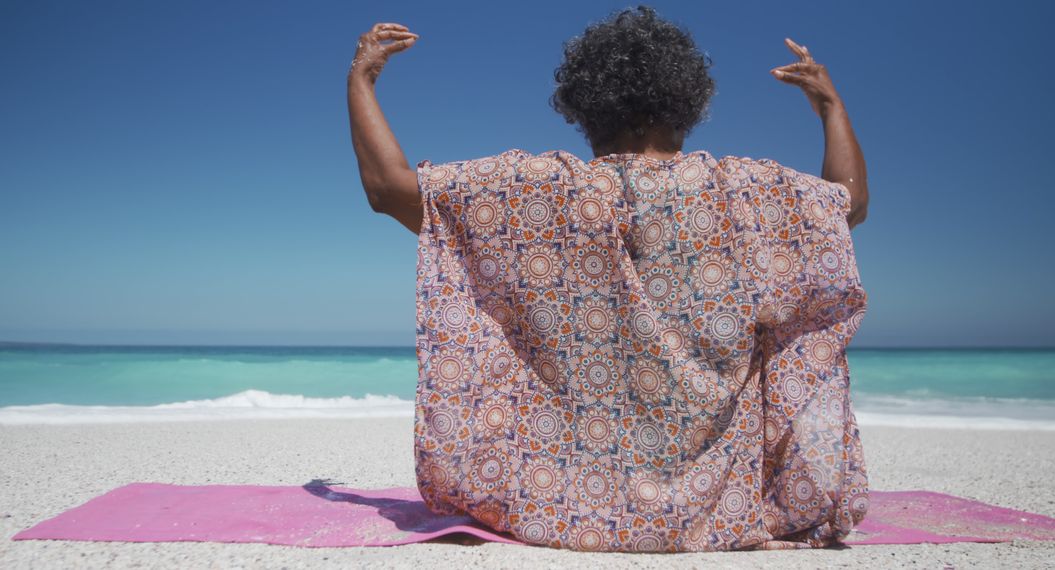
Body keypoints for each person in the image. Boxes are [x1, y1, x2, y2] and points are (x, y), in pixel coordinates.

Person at [346, 5, 870, 552]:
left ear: (584, 108)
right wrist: (830, 107)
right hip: (718, 509)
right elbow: (847, 205)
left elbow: (388, 188)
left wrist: (361, 78)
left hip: (558, 505)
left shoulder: (534, 194)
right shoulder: (744, 193)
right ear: (685, 104)